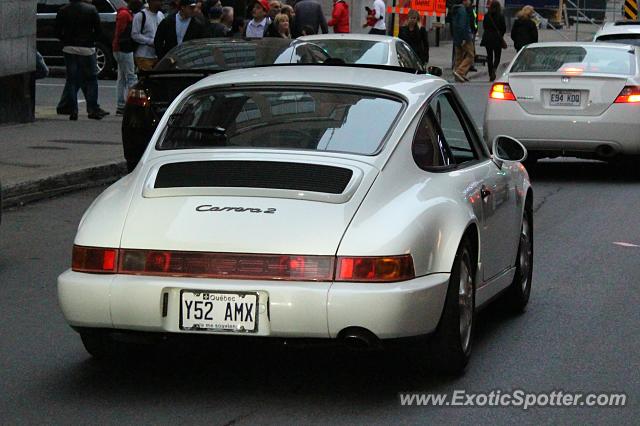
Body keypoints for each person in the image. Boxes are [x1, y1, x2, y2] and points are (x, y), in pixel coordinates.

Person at [55, 0, 110, 120]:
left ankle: (73, 110)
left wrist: (65, 40)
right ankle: (92, 109)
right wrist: (91, 41)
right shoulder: (91, 9)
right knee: (91, 79)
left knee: (71, 80)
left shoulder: (63, 10)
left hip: (69, 47)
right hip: (87, 48)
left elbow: (57, 31)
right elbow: (99, 30)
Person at [113, 0, 142, 115]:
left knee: (122, 78)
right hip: (124, 48)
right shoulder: (125, 15)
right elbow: (121, 32)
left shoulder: (124, 13)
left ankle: (121, 105)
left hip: (119, 48)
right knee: (131, 77)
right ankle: (132, 104)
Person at [131, 0, 165, 71]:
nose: (161, 3)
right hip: (143, 56)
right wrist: (151, 42)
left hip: (158, 56)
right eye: (158, 1)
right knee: (147, 80)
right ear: (150, 2)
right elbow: (135, 35)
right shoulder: (140, 15)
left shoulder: (160, 15)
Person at [480, 0, 506, 81]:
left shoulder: (487, 15)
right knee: (497, 56)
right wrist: (501, 35)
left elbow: (484, 26)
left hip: (487, 37)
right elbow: (503, 28)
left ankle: (490, 72)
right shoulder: (500, 16)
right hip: (497, 38)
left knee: (489, 56)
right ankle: (494, 69)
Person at [451, 0, 474, 82]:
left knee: (459, 57)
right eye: (469, 1)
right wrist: (464, 38)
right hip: (465, 37)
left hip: (457, 37)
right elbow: (462, 25)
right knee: (471, 56)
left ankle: (458, 75)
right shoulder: (463, 10)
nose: (470, 3)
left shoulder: (457, 9)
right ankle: (460, 72)